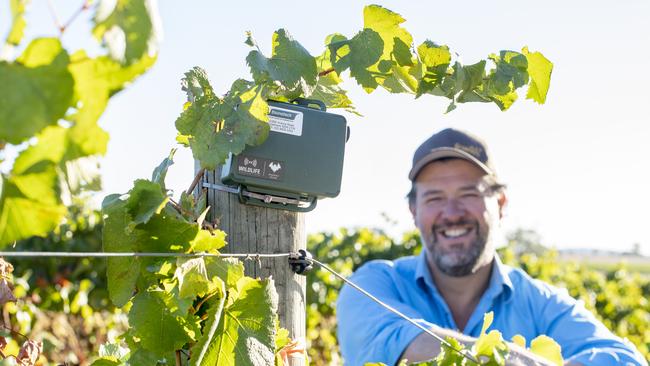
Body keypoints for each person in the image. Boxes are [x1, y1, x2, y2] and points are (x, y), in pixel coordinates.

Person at [336, 128, 647, 366]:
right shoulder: (373, 286)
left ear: (500, 204)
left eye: (469, 194)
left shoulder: (539, 301)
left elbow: (625, 358)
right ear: (414, 211)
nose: (452, 212)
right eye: (434, 198)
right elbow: (400, 339)